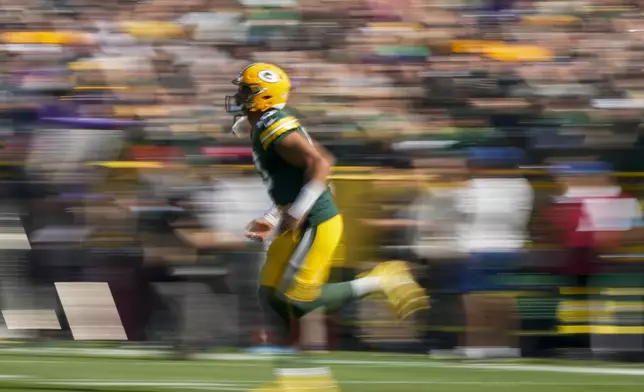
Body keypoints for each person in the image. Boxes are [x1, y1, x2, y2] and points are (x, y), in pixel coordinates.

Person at [225, 63, 429, 392]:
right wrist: (271, 218)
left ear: (264, 96)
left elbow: (322, 162)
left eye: (246, 90)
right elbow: (288, 186)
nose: (238, 96)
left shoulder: (274, 125)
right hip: (297, 220)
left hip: (318, 221)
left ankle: (382, 279)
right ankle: (300, 380)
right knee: (269, 295)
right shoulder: (263, 125)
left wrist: (300, 210)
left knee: (301, 299)